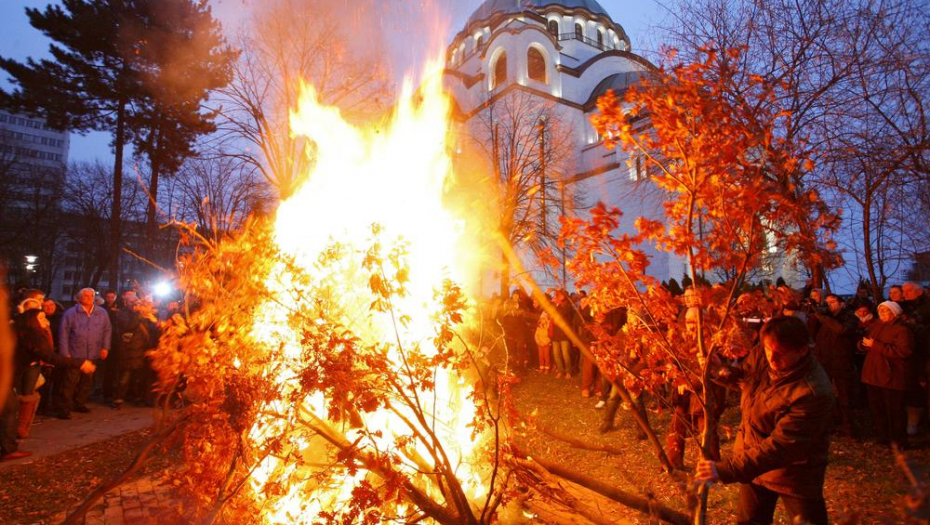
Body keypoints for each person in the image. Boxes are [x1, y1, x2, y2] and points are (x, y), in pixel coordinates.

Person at [695, 316, 834, 525]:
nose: (772, 358)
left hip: (793, 474)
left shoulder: (812, 392)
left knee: (807, 520)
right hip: (752, 462)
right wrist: (718, 371)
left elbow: (783, 447)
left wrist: (726, 469)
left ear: (803, 349)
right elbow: (747, 382)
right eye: (769, 349)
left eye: (781, 353)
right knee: (749, 520)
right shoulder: (763, 353)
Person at [2, 309, 96, 460]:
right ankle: (7, 450)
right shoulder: (31, 336)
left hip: (6, 376)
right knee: (9, 409)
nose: (46, 321)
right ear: (32, 321)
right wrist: (80, 363)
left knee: (9, 408)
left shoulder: (20, 332)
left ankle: (7, 446)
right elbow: (50, 357)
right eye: (42, 318)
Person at [861, 301, 913, 447]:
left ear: (894, 312)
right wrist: (862, 345)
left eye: (886, 311)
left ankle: (898, 441)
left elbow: (903, 351)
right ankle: (882, 437)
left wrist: (875, 345)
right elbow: (869, 343)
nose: (882, 314)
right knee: (878, 409)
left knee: (895, 411)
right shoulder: (877, 326)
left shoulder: (902, 330)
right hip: (873, 374)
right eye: (881, 311)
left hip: (891, 375)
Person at [809, 294, 860, 436]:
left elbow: (842, 330)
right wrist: (814, 316)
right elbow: (811, 333)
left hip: (841, 361)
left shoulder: (850, 318)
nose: (829, 305)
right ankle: (831, 423)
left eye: (832, 302)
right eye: (827, 303)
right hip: (824, 360)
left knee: (844, 395)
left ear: (842, 303)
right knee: (826, 394)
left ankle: (848, 426)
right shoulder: (824, 318)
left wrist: (823, 318)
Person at [56, 288, 111, 419]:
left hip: (93, 353)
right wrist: (65, 352)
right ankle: (64, 408)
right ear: (79, 298)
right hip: (75, 353)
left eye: (91, 296)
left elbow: (107, 330)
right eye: (85, 295)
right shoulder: (70, 313)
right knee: (70, 381)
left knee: (87, 381)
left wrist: (105, 347)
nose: (88, 298)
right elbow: (63, 333)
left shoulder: (101, 313)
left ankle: (79, 403)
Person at [112, 291, 158, 409]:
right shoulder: (122, 313)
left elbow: (152, 328)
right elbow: (128, 326)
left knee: (139, 377)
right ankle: (118, 399)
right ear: (126, 302)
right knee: (125, 376)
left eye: (135, 302)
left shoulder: (143, 314)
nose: (134, 304)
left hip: (142, 349)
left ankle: (137, 398)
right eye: (131, 302)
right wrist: (138, 315)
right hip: (128, 350)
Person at [901, 282, 929, 436]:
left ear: (919, 292)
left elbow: (912, 323)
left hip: (924, 353)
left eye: (909, 291)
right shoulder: (907, 306)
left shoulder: (924, 307)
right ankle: (914, 422)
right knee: (914, 390)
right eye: (904, 291)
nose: (905, 294)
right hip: (912, 355)